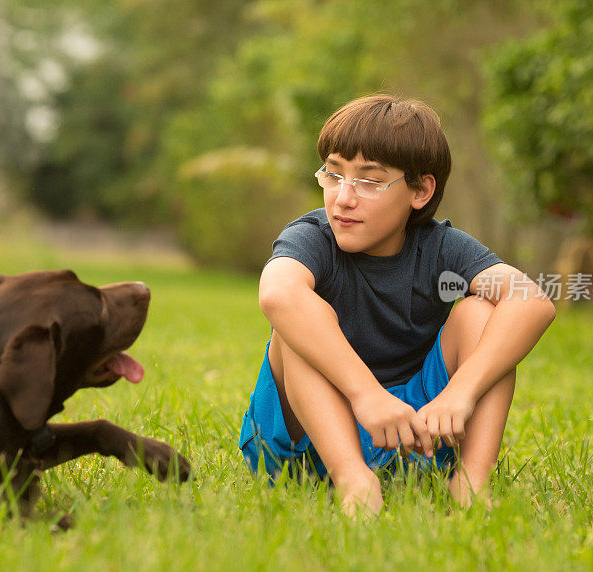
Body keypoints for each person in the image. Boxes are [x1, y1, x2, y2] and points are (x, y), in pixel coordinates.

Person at [238, 94, 556, 515]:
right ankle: (353, 480)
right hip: (303, 445)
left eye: (369, 181)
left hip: (414, 437)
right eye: (333, 175)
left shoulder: (442, 247)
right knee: (296, 319)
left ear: (421, 190)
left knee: (481, 313)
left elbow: (531, 300)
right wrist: (365, 394)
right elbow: (278, 294)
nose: (343, 198)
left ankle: (471, 482)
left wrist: (460, 393)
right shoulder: (312, 236)